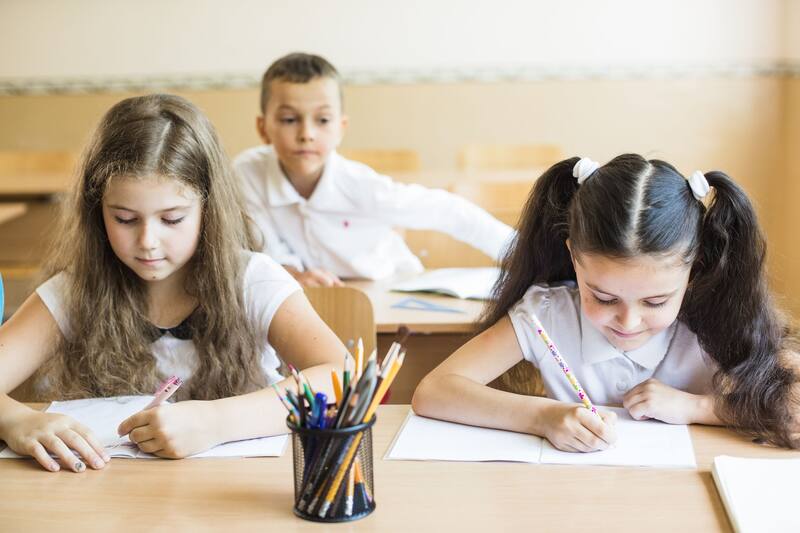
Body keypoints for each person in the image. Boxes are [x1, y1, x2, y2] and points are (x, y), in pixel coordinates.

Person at [0, 94, 343, 472]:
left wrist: (217, 422)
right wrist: (14, 419)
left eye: (173, 219)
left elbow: (341, 377)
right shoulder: (74, 291)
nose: (148, 240)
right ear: (97, 213)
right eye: (126, 219)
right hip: (115, 501)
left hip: (237, 492)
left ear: (208, 210)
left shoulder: (252, 279)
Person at [413, 154, 800, 451]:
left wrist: (697, 409)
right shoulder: (546, 315)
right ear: (574, 258)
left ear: (694, 268)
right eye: (603, 297)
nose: (628, 321)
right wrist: (544, 417)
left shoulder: (717, 314)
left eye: (655, 301)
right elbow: (434, 391)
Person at [234, 52, 514, 286]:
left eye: (322, 120)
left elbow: (449, 211)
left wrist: (527, 259)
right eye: (289, 119)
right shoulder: (247, 174)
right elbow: (264, 247)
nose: (306, 133)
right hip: (313, 299)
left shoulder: (360, 185)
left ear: (341, 128)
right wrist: (293, 274)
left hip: (389, 288)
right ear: (263, 128)